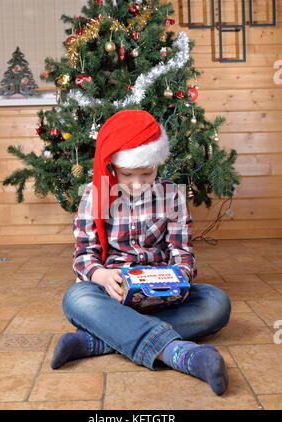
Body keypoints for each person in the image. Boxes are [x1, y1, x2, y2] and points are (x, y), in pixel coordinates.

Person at [51, 110, 231, 396]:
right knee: (76, 298)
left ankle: (99, 340)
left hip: (161, 292)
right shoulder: (96, 194)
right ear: (113, 167)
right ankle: (180, 354)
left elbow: (182, 253)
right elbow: (84, 256)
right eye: (127, 175)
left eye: (146, 174)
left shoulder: (172, 195)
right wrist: (101, 275)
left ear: (157, 165)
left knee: (216, 303)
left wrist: (179, 279)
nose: (137, 184)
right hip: (113, 292)